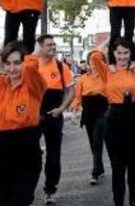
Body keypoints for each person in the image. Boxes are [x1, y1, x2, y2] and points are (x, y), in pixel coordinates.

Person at [0, 41, 47, 206]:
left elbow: (30, 68)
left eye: (17, 63)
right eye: (8, 63)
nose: (12, 68)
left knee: (20, 200)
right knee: (4, 200)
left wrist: (28, 50)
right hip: (0, 151)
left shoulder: (34, 85)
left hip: (27, 150)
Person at [89, 34, 135, 206]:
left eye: (126, 53)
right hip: (114, 122)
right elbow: (95, 55)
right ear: (114, 53)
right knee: (117, 169)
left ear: (130, 53)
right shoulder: (107, 71)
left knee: (133, 166)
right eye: (119, 53)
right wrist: (109, 41)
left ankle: (133, 201)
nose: (123, 57)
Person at [34, 35, 76, 204]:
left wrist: (61, 109)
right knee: (30, 154)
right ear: (40, 47)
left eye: (54, 44)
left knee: (53, 155)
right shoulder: (31, 64)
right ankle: (27, 190)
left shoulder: (61, 66)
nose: (53, 47)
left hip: (54, 115)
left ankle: (50, 189)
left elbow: (71, 91)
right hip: (33, 117)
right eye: (48, 45)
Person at [69, 52, 109, 185]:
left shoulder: (106, 76)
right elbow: (78, 97)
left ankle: (95, 172)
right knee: (93, 142)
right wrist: (74, 113)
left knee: (97, 140)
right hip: (88, 111)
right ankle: (100, 167)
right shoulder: (82, 79)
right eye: (91, 61)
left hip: (102, 111)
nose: (93, 64)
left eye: (96, 61)